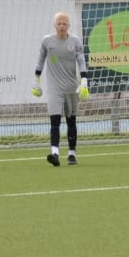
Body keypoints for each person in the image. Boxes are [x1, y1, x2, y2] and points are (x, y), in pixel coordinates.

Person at [32, 11, 88, 166]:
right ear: (54, 25)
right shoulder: (47, 41)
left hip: (71, 87)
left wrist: (84, 81)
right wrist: (36, 82)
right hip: (54, 89)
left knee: (71, 121)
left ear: (68, 26)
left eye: (64, 24)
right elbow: (40, 61)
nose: (61, 26)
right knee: (54, 121)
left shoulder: (75, 42)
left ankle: (72, 154)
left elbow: (81, 61)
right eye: (59, 23)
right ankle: (55, 154)